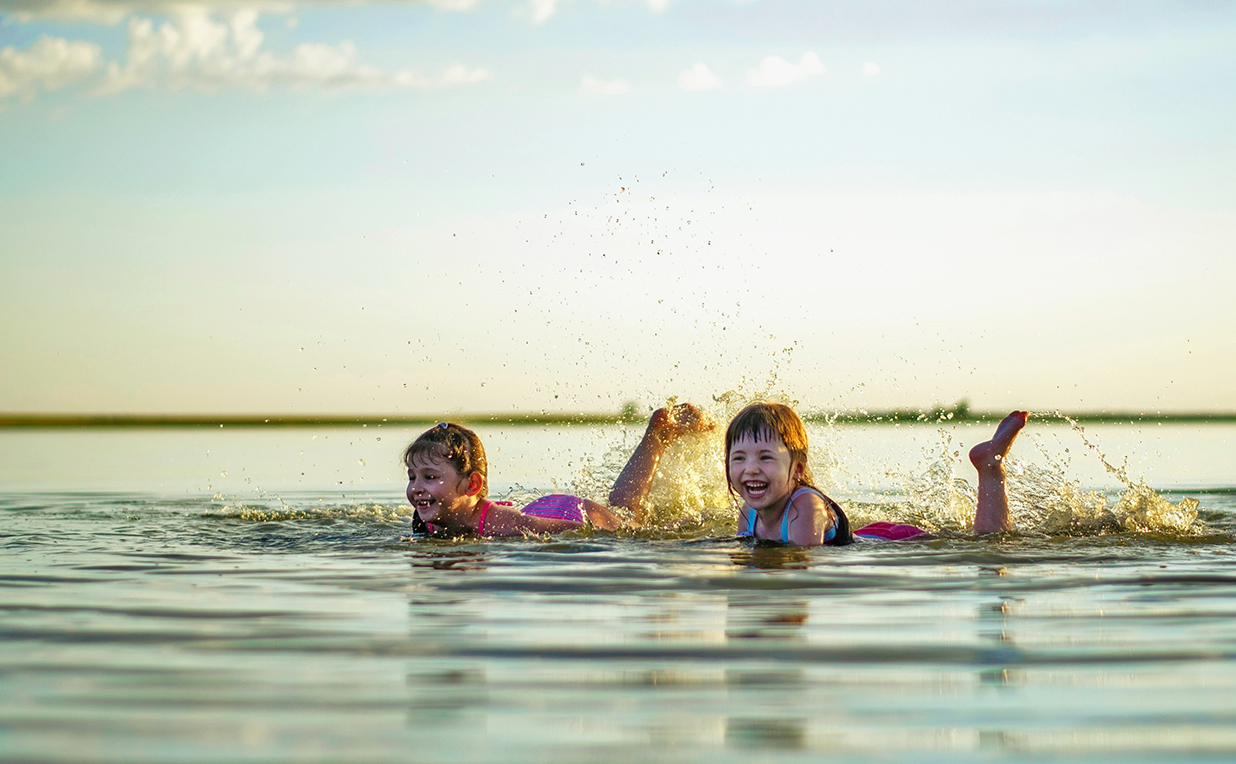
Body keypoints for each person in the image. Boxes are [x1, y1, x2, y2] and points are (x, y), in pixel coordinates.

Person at [608, 402, 1028, 546]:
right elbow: (747, 546)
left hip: (886, 543)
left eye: (766, 458)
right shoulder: (749, 510)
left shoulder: (804, 504)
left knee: (990, 545)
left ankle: (990, 469)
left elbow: (799, 558)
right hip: (864, 535)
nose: (750, 469)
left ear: (799, 468)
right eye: (738, 459)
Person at [405, 422, 621, 537]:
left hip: (571, 513)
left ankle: (654, 435)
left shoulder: (503, 524)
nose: (416, 488)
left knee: (630, 519)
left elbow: (580, 531)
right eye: (412, 477)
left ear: (472, 485)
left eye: (430, 477)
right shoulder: (425, 521)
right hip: (538, 510)